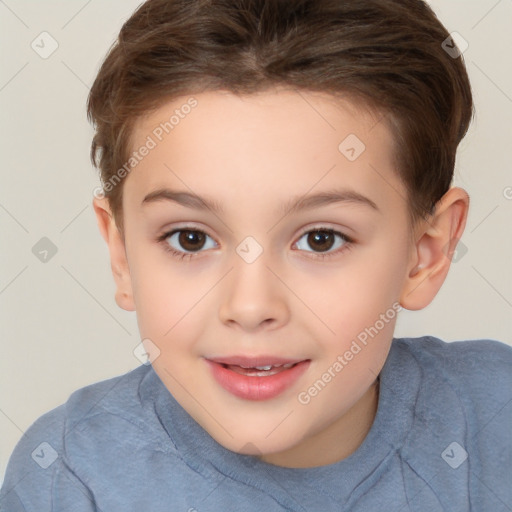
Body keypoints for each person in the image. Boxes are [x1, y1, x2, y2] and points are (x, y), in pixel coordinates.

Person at [2, 0, 511, 510]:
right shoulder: (69, 478)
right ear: (121, 252)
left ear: (426, 253)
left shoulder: (496, 420)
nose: (250, 306)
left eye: (320, 239)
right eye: (190, 239)